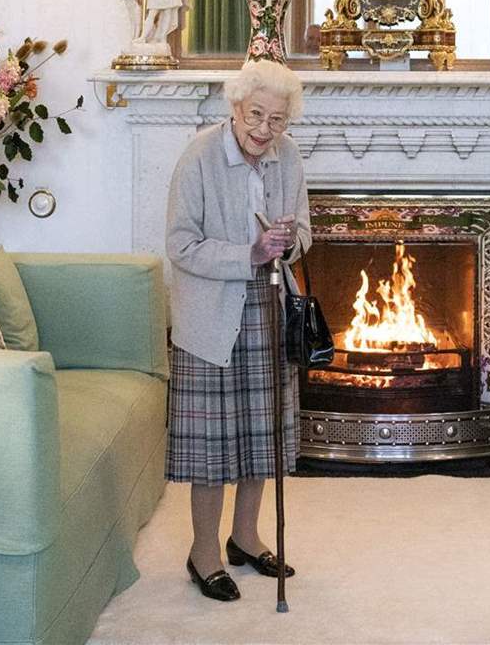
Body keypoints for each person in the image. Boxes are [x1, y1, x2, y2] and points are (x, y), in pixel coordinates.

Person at [164, 59, 309, 602]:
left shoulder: (288, 156)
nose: (265, 130)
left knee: (260, 435)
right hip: (210, 317)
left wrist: (287, 242)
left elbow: (305, 231)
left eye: (277, 120)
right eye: (256, 116)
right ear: (235, 107)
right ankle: (203, 552)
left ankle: (245, 538)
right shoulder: (200, 155)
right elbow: (180, 245)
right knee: (211, 448)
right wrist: (248, 253)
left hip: (269, 307)